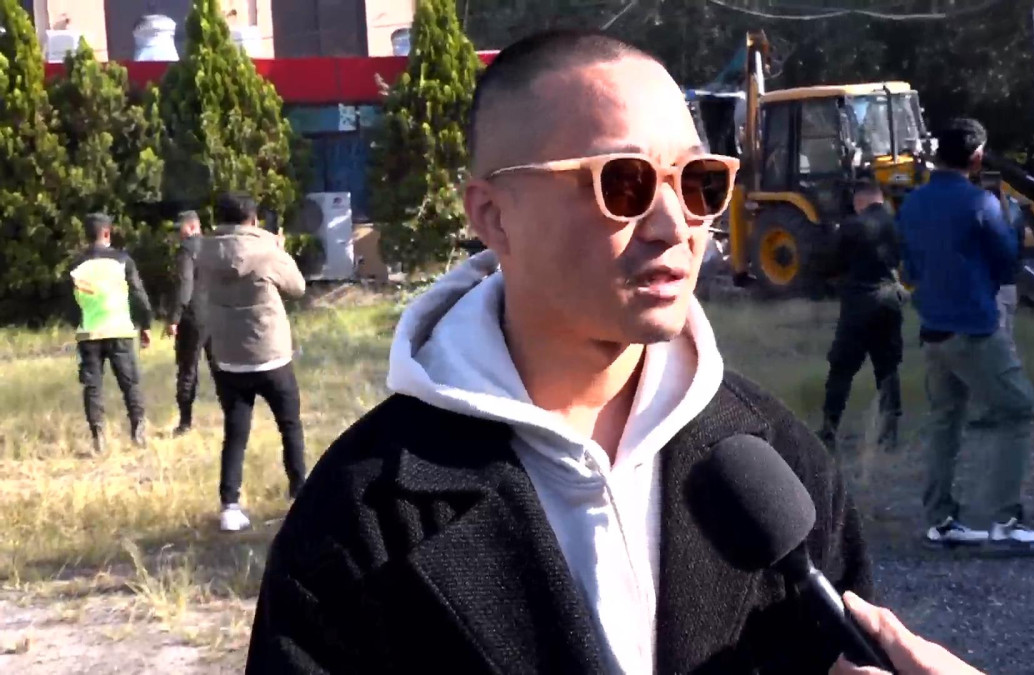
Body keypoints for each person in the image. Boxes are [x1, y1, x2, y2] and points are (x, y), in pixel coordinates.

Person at [247, 30, 976, 675]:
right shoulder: (360, 516)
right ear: (492, 214)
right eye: (623, 183)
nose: (674, 224)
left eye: (700, 183)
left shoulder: (773, 461)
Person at [897, 118, 1034, 551]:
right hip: (973, 326)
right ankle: (1006, 521)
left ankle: (940, 520)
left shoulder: (912, 203)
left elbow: (909, 265)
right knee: (1017, 407)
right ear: (977, 156)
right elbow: (1005, 265)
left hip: (933, 327)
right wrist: (1011, 229)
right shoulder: (981, 202)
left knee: (945, 420)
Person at [197, 193, 307, 533]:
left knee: (235, 433)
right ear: (254, 219)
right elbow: (298, 288)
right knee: (289, 425)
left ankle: (230, 506)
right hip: (270, 354)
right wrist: (279, 249)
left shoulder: (205, 251)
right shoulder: (267, 251)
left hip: (228, 356)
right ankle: (299, 493)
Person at [818, 179, 906, 454]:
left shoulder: (852, 226)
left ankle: (829, 429)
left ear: (859, 201)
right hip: (890, 300)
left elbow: (830, 263)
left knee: (841, 368)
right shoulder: (896, 223)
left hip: (859, 304)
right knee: (887, 369)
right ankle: (890, 433)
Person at [66, 213, 153, 454]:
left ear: (86, 235)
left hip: (89, 334)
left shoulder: (76, 265)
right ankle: (138, 430)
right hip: (120, 330)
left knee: (93, 387)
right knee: (130, 383)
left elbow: (70, 303)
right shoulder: (123, 260)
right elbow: (138, 294)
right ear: (107, 232)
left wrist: (77, 323)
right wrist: (145, 324)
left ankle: (98, 436)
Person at [165, 210, 215, 437]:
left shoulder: (186, 250)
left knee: (187, 370)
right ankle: (233, 413)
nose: (179, 233)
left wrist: (174, 318)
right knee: (222, 369)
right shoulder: (215, 247)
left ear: (193, 227)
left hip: (193, 318)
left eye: (181, 228)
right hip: (217, 314)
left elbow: (185, 285)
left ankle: (185, 422)